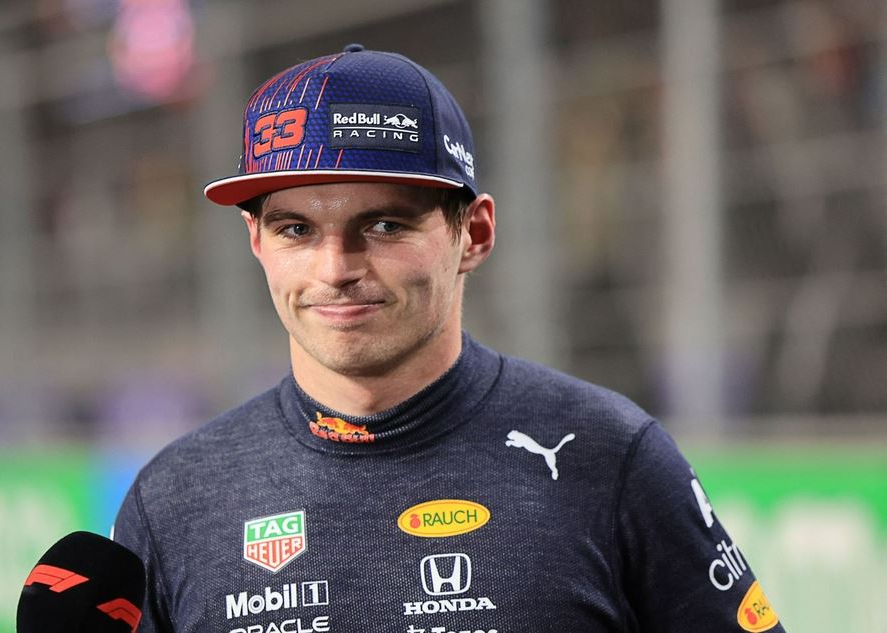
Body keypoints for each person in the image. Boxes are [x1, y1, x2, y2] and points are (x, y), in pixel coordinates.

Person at [113, 44, 784, 633]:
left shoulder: (611, 458)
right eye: (297, 229)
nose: (335, 268)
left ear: (475, 234)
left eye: (384, 225)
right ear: (256, 240)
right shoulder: (172, 500)